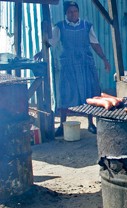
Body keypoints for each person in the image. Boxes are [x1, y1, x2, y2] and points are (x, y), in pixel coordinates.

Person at [35, 1, 111, 136]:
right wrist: (41, 52)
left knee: (90, 93)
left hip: (85, 64)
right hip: (68, 65)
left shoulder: (87, 26)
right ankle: (62, 126)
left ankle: (91, 124)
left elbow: (95, 44)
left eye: (75, 11)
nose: (73, 14)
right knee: (65, 94)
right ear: (66, 13)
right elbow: (50, 43)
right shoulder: (60, 27)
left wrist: (104, 59)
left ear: (78, 12)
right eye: (70, 12)